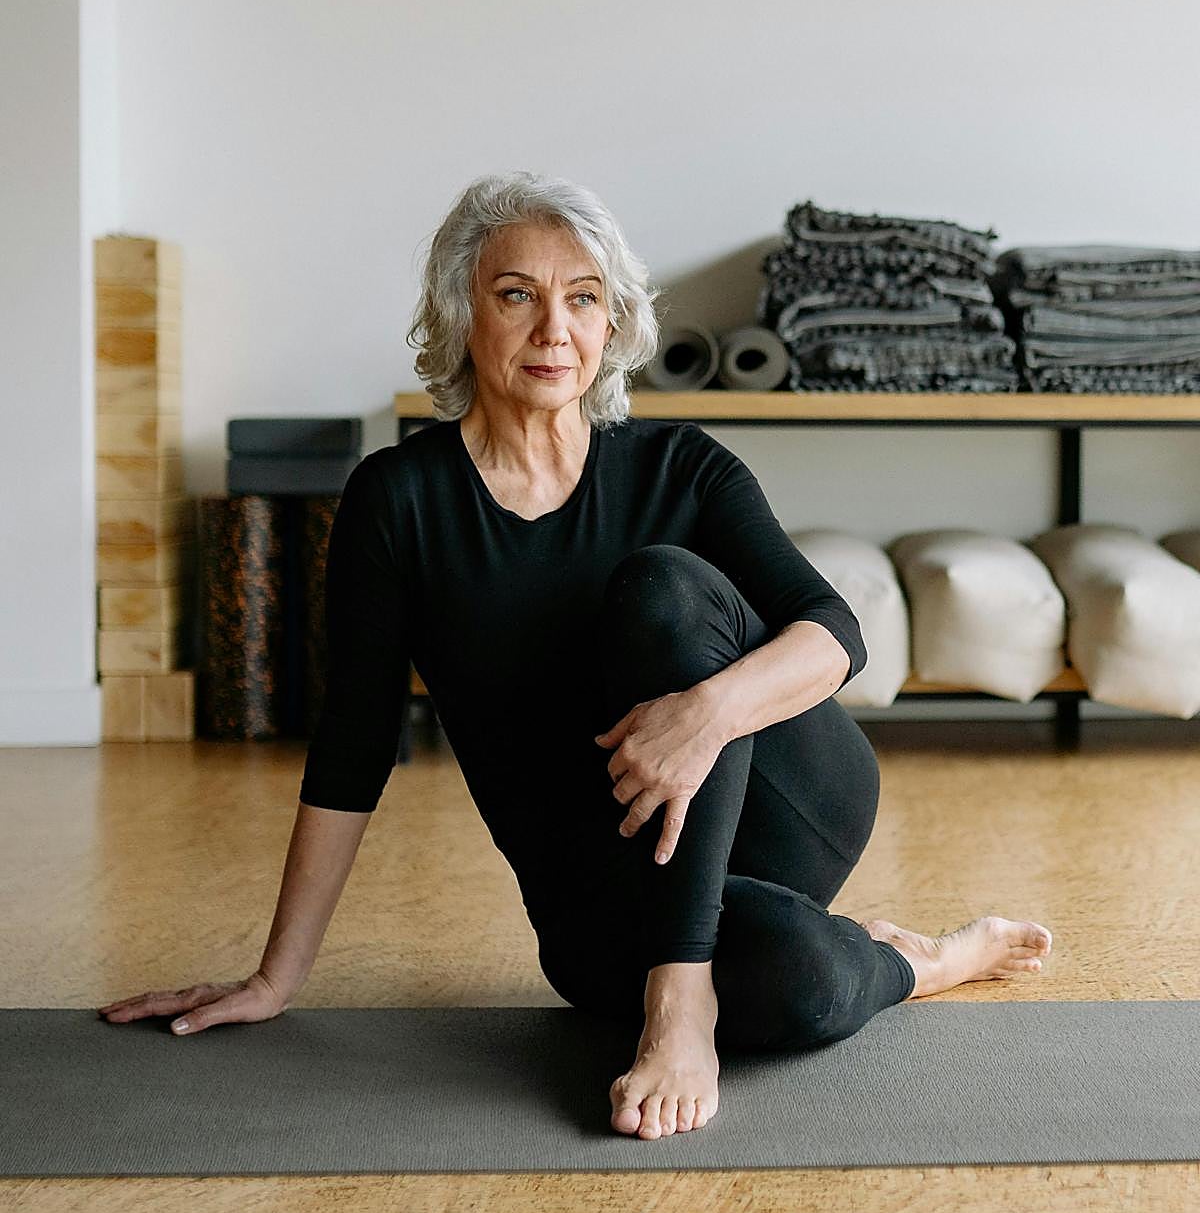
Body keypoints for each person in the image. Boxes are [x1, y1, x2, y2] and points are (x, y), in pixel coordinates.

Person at [100, 171, 1053, 1140]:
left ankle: (684, 995)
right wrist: (277, 977)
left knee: (664, 590)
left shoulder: (681, 466)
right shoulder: (401, 502)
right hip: (597, 899)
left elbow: (832, 634)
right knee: (803, 985)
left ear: (613, 324)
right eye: (517, 294)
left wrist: (708, 712)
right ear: (461, 313)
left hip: (787, 807)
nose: (555, 327)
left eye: (583, 298)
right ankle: (921, 959)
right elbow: (354, 742)